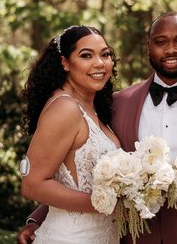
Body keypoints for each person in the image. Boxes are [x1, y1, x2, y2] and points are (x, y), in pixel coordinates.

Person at [19, 13, 177, 243]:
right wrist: (39, 219)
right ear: (149, 47)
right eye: (161, 41)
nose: (171, 49)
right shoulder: (118, 103)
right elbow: (79, 168)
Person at [19, 25, 122, 243]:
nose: (100, 63)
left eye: (105, 55)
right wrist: (105, 203)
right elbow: (32, 184)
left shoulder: (93, 109)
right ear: (65, 63)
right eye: (86, 55)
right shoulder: (65, 108)